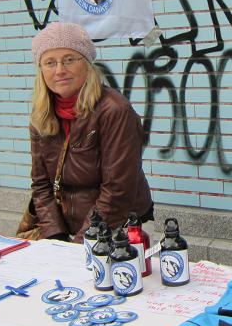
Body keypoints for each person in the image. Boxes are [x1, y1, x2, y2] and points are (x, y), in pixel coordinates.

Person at [29, 22, 153, 242]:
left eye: (69, 59)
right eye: (50, 62)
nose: (59, 70)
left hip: (120, 229)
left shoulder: (114, 110)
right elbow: (41, 185)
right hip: (66, 231)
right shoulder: (42, 114)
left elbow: (117, 191)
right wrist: (56, 239)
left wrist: (80, 244)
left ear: (86, 64)